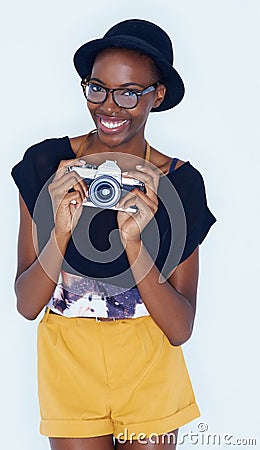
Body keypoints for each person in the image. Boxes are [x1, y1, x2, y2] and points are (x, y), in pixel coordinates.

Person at [11, 18, 216, 450]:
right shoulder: (47, 167)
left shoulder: (178, 185)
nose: (109, 106)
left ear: (156, 95)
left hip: (150, 370)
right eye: (97, 88)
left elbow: (180, 328)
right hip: (69, 367)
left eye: (128, 92)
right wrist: (60, 229)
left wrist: (135, 244)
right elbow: (28, 304)